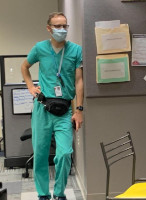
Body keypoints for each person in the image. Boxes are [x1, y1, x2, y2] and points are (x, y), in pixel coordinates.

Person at [21, 12, 83, 200]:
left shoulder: (76, 50)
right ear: (49, 28)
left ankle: (59, 193)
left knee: (64, 154)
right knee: (40, 154)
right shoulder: (40, 48)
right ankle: (42, 194)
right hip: (43, 108)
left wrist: (79, 110)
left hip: (65, 110)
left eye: (64, 26)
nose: (62, 30)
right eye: (57, 26)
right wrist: (31, 86)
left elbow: (79, 81)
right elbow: (25, 66)